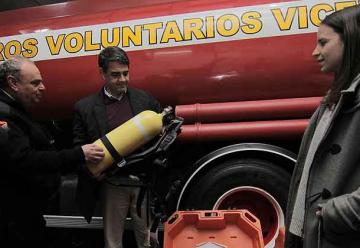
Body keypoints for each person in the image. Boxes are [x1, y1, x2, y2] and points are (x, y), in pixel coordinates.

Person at [0, 56, 105, 248]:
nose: (43, 88)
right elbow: (25, 160)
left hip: (26, 214)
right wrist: (78, 154)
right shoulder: (4, 116)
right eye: (35, 83)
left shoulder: (17, 112)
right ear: (13, 83)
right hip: (14, 219)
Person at [285, 5, 360, 248]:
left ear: (351, 39)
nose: (314, 52)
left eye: (323, 43)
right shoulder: (336, 96)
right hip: (307, 232)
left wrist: (339, 211)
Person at [73, 46, 162, 248]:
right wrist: (89, 169)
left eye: (125, 73)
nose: (122, 80)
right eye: (115, 75)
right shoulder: (85, 108)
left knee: (147, 240)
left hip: (143, 183)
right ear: (102, 73)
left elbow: (162, 133)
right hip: (112, 184)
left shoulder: (145, 100)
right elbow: (78, 147)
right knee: (113, 243)